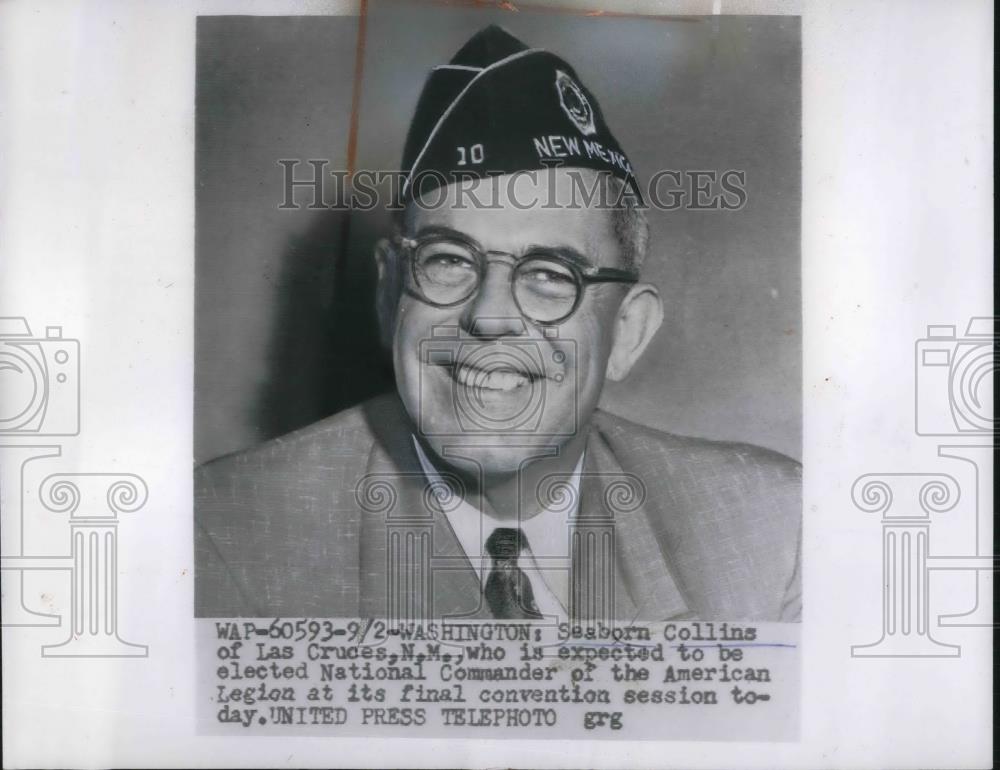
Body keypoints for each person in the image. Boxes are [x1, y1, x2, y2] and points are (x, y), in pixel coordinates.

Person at [195, 25, 801, 622]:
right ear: (388, 296)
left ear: (628, 332)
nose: (488, 317)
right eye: (449, 261)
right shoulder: (228, 536)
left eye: (550, 273)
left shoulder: (770, 531)